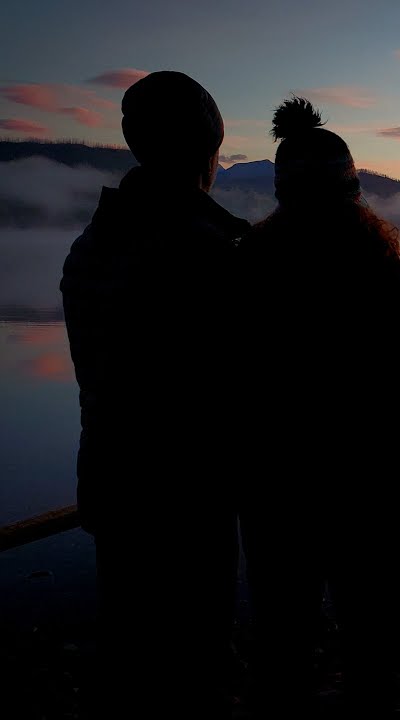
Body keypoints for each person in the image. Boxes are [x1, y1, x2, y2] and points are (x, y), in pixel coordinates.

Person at [237, 97, 400, 717]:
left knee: (282, 642)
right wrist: (397, 468)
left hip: (276, 491)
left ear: (281, 194)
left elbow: (229, 383)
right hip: (372, 491)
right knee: (372, 645)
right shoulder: (380, 272)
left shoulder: (248, 266)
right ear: (352, 192)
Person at [60, 71, 250, 719]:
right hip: (190, 489)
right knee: (196, 663)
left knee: (128, 650)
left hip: (111, 477)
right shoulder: (208, 251)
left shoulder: (91, 244)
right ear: (208, 149)